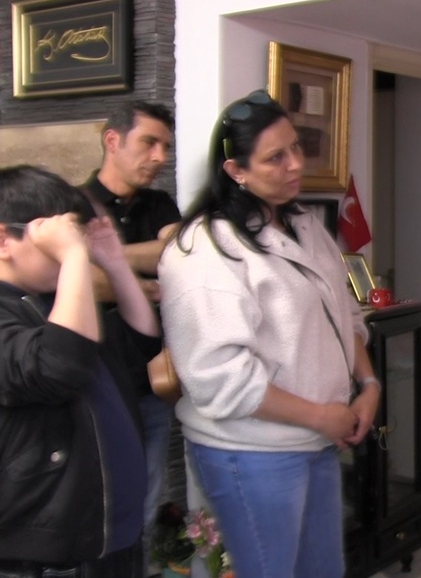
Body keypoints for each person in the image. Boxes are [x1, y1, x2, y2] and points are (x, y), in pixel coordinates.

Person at [157, 90, 381, 578]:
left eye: (295, 147)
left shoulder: (305, 225)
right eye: (276, 157)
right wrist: (322, 416)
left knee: (322, 571)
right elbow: (221, 378)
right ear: (235, 170)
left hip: (317, 441)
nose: (295, 163)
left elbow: (345, 314)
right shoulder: (206, 248)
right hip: (252, 452)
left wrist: (368, 385)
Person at [0, 165, 161, 577]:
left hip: (112, 536)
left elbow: (141, 341)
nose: (71, 251)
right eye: (54, 243)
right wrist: (72, 256)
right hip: (52, 552)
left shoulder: (54, 301)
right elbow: (57, 368)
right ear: (4, 240)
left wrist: (114, 263)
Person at [80, 100, 180, 575]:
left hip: (150, 384)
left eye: (166, 147)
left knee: (145, 503)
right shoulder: (73, 203)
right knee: (95, 507)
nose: (160, 157)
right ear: (113, 140)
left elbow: (174, 256)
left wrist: (106, 257)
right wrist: (139, 280)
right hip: (93, 387)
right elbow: (74, 278)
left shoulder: (160, 203)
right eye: (149, 143)